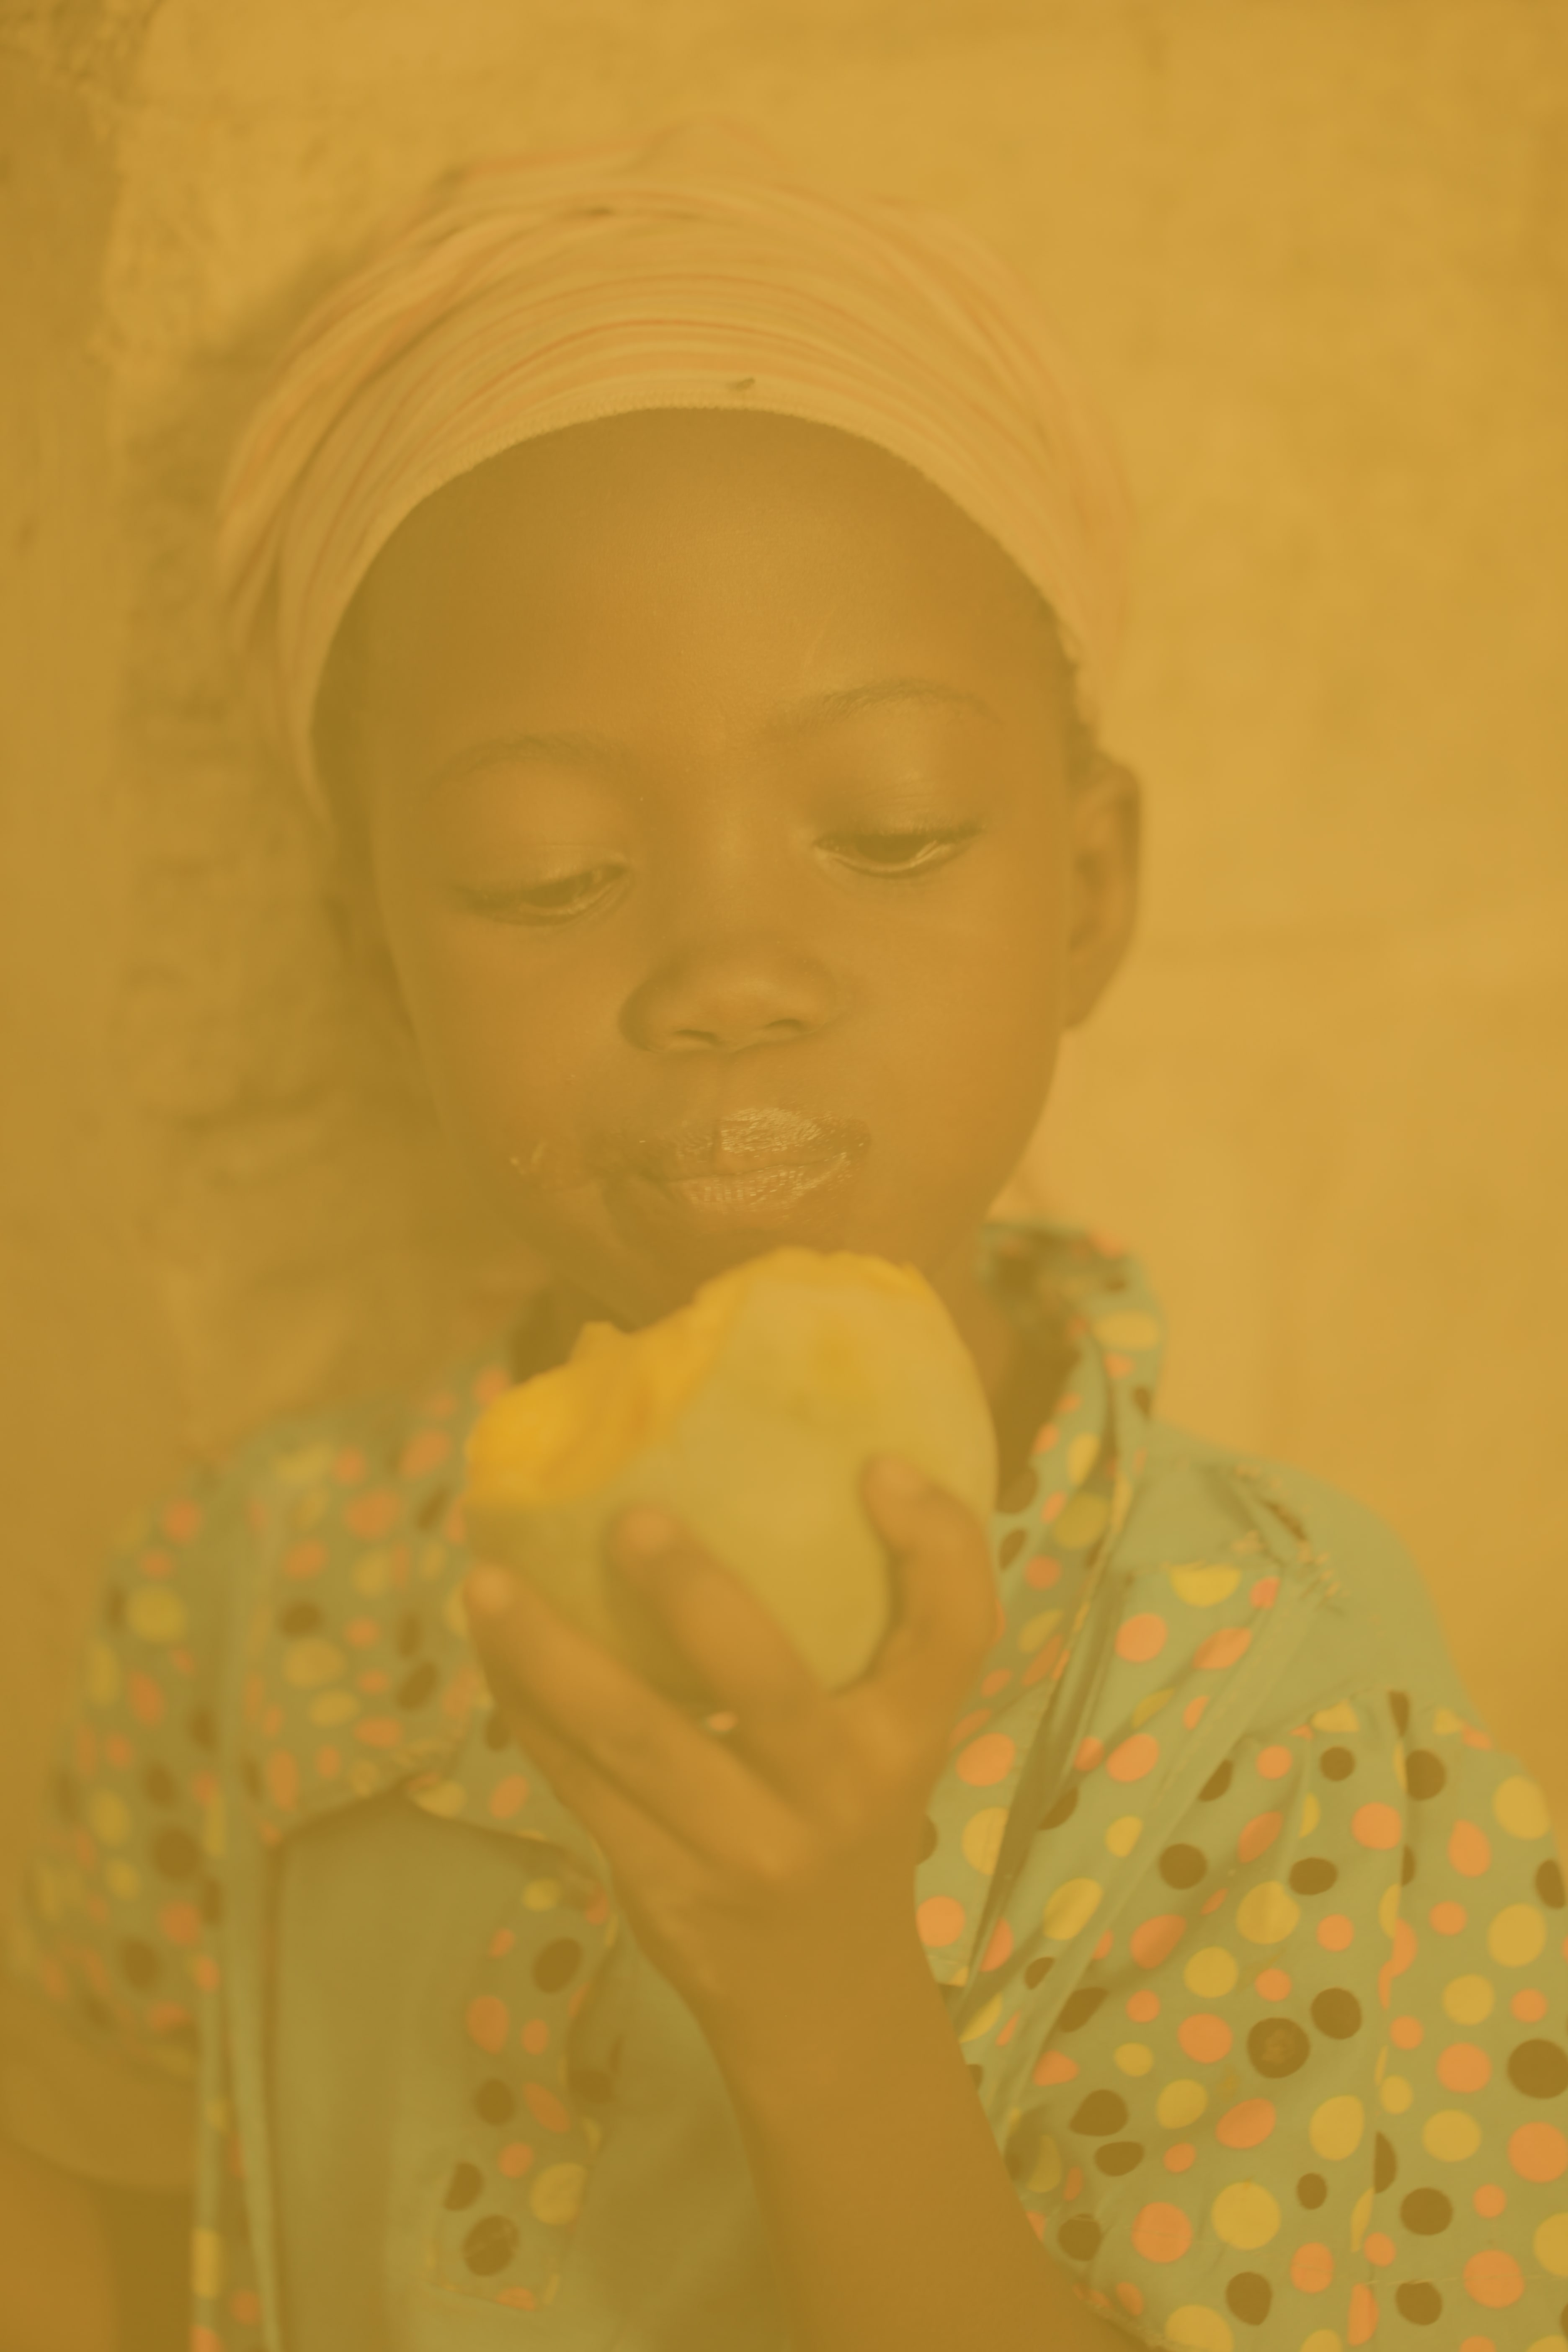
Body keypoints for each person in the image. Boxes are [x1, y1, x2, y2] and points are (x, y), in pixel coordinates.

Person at [3, 113, 1565, 2352]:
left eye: (896, 833)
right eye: (551, 872)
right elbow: (146, 2238)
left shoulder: (1273, 1703)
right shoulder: (265, 1596)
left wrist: (825, 1989)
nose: (729, 968)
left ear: (1090, 897)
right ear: (378, 971)